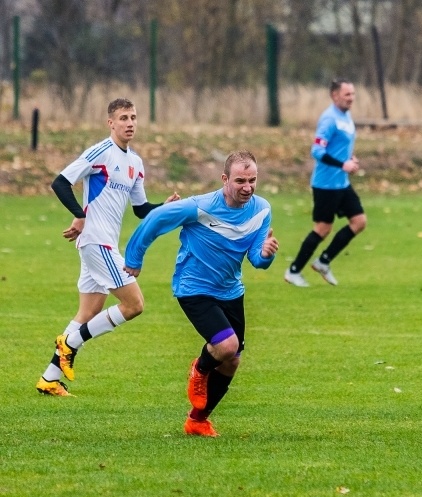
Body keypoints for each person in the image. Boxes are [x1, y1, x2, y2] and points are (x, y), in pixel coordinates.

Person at [124, 150, 279, 437]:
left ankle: (197, 419)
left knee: (232, 361)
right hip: (194, 287)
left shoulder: (262, 209)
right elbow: (156, 219)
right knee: (226, 346)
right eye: (240, 180)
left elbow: (257, 261)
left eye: (253, 180)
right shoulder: (200, 206)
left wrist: (267, 254)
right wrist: (134, 257)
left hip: (231, 291)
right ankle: (200, 368)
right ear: (224, 179)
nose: (248, 187)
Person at [36, 98, 179, 397]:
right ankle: (69, 344)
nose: (130, 123)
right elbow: (60, 182)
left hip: (102, 244)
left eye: (134, 117)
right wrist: (80, 215)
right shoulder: (100, 152)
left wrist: (163, 208)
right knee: (134, 304)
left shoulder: (135, 164)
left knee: (88, 312)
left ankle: (49, 378)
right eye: (123, 118)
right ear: (110, 123)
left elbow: (140, 209)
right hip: (96, 242)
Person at [284, 78, 366, 287]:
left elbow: (340, 146)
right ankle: (293, 271)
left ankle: (324, 261)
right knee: (322, 228)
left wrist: (350, 160)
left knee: (359, 222)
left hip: (342, 183)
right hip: (325, 184)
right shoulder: (329, 119)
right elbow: (317, 151)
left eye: (353, 94)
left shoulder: (345, 117)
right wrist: (342, 164)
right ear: (335, 95)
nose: (351, 98)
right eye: (347, 94)